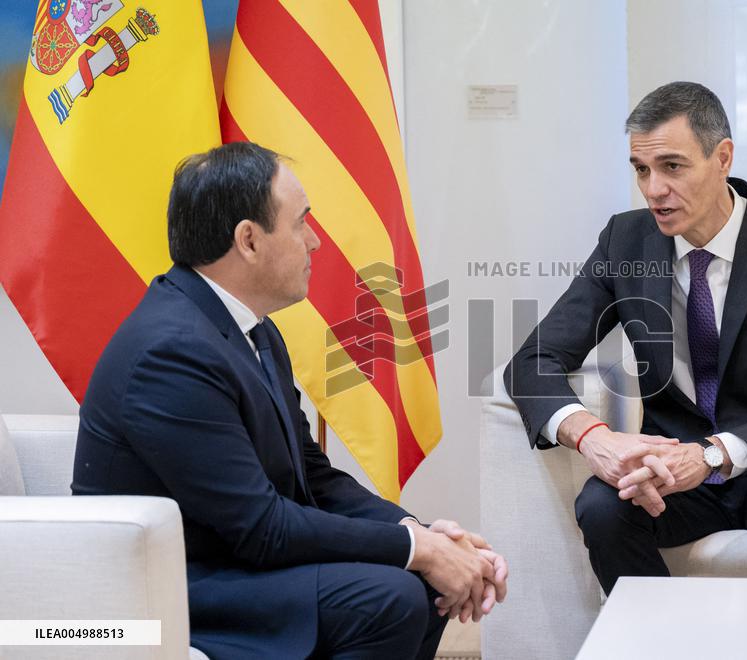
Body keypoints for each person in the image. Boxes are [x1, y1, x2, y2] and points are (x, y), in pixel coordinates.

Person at [73, 142, 507, 659]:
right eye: (301, 222)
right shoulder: (172, 352)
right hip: (177, 586)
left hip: (236, 563)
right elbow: (263, 528)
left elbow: (313, 478)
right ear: (249, 240)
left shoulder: (251, 331)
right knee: (390, 596)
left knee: (422, 582)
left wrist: (416, 530)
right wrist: (419, 550)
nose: (316, 241)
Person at [504, 81, 747, 594]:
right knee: (601, 506)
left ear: (722, 157)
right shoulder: (626, 240)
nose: (653, 189)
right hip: (674, 473)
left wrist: (712, 453)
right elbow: (534, 358)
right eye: (641, 170)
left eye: (672, 166)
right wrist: (593, 437)